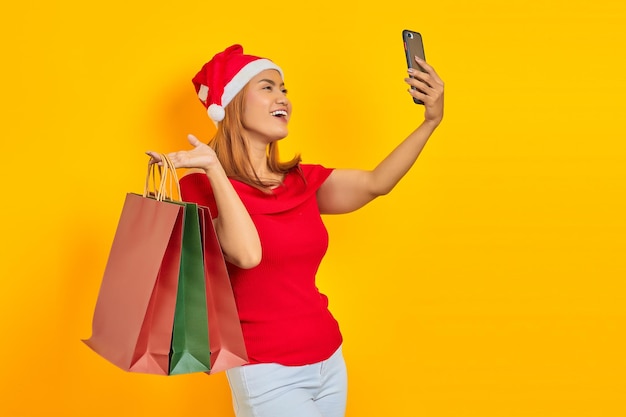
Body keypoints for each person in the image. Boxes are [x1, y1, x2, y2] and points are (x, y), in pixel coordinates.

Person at [147, 43, 444, 417]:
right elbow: (247, 254)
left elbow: (375, 183)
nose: (282, 97)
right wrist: (214, 169)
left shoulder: (301, 182)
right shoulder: (201, 188)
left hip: (329, 358)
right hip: (267, 372)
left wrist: (430, 122)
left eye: (284, 89)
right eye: (268, 87)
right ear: (232, 103)